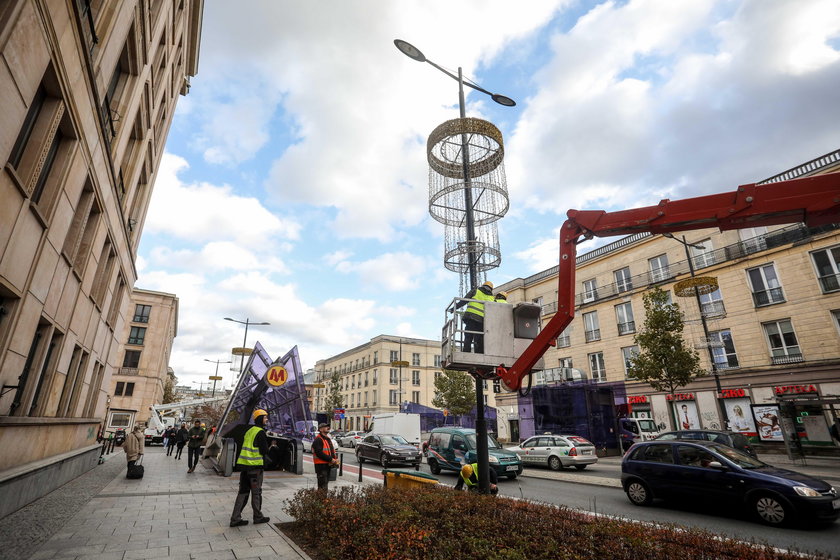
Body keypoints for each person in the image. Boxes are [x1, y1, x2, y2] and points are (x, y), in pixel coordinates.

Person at [229, 409, 271, 527]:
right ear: (260, 419)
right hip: (255, 467)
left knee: (243, 492)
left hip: (244, 466)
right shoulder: (260, 432)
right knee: (256, 492)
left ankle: (235, 518)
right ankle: (258, 516)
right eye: (265, 417)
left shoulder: (249, 430)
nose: (266, 419)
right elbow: (264, 450)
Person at [456, 280, 495, 353]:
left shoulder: (475, 291)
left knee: (468, 335)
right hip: (481, 320)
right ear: (491, 289)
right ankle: (479, 353)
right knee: (479, 338)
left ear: (483, 285)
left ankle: (466, 351)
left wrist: (454, 308)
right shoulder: (492, 298)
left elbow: (464, 301)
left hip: (471, 317)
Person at [312, 423, 339, 490]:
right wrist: (331, 459)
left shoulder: (326, 439)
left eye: (328, 426)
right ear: (321, 429)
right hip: (321, 466)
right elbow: (319, 453)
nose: (328, 428)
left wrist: (335, 459)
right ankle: (321, 499)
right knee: (322, 485)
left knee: (325, 484)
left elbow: (330, 451)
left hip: (327, 465)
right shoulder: (318, 439)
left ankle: (323, 499)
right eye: (325, 427)